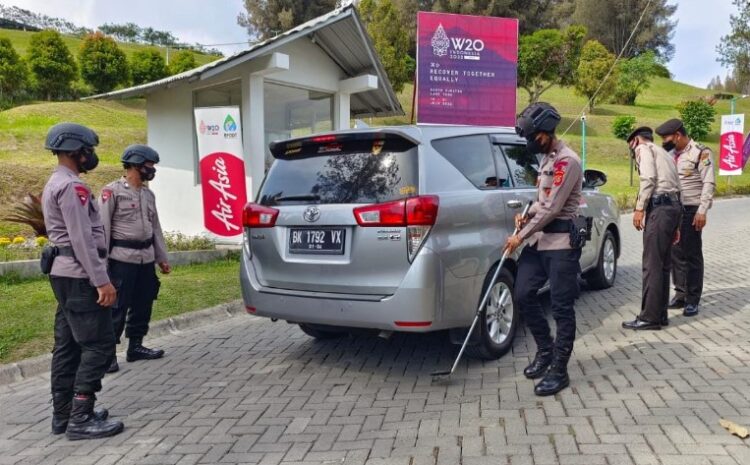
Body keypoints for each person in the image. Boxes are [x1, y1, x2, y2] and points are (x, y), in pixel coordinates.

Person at [41, 122, 124, 440]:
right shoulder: (72, 187)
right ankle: (81, 417)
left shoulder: (57, 181)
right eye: (89, 150)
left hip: (64, 275)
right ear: (77, 150)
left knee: (67, 346)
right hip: (78, 275)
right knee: (100, 345)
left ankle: (62, 416)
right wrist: (101, 281)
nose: (92, 155)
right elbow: (82, 239)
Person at [504, 102, 584, 397]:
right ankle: (545, 350)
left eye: (533, 137)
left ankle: (559, 370)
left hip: (561, 245)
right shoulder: (548, 159)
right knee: (523, 294)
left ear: (546, 132)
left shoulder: (567, 162)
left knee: (562, 308)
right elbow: (542, 201)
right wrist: (526, 215)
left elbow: (552, 209)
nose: (530, 143)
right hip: (539, 242)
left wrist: (520, 235)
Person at [100, 145, 170, 373]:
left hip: (146, 259)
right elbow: (103, 228)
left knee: (143, 303)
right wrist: (102, 263)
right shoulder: (112, 192)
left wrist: (162, 257)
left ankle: (136, 346)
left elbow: (155, 228)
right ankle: (108, 355)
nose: (152, 170)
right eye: (149, 165)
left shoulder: (148, 195)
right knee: (117, 308)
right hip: (121, 259)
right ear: (135, 165)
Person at [622, 127, 682, 330]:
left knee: (652, 265)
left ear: (636, 141)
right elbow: (677, 187)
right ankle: (660, 314)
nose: (632, 150)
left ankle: (649, 318)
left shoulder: (644, 149)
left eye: (631, 145)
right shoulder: (663, 153)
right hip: (673, 208)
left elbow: (648, 179)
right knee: (663, 265)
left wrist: (639, 208)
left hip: (659, 209)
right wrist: (677, 224)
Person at [655, 119, 715, 317]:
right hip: (672, 208)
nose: (664, 142)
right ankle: (680, 294)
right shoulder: (670, 154)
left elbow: (708, 183)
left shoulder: (700, 152)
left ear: (678, 135)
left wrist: (702, 210)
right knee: (674, 253)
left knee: (691, 254)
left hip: (691, 209)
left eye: (667, 138)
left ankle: (692, 299)